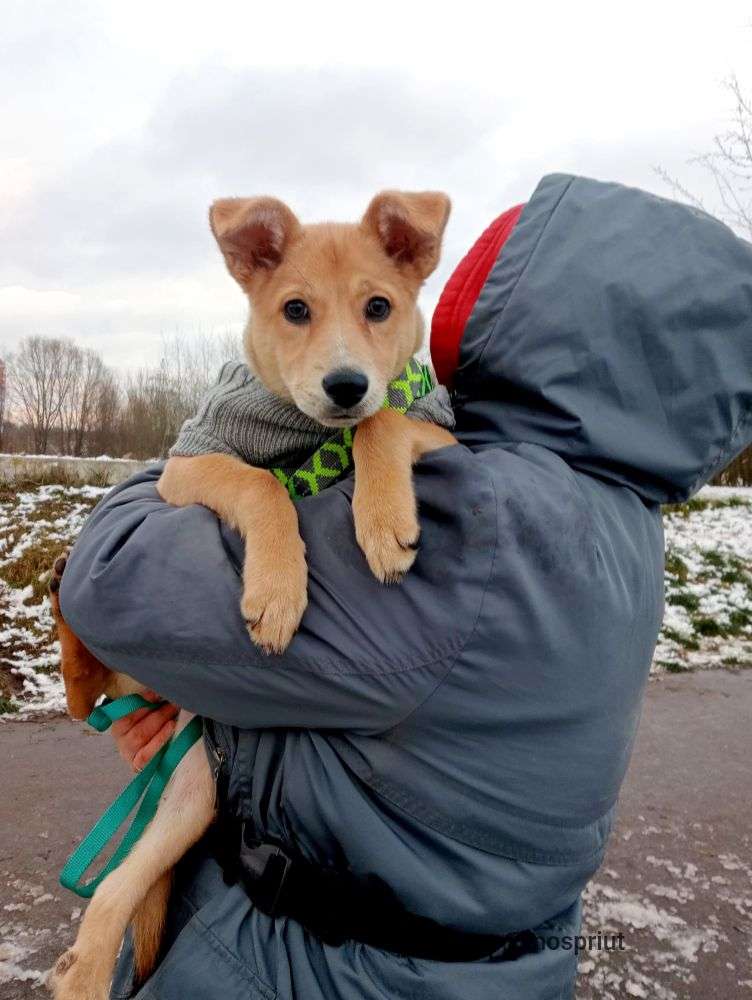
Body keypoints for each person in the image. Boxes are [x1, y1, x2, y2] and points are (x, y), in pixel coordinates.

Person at [59, 173, 752, 1000]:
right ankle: (106, 927)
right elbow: (372, 694)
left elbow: (118, 584)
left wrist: (259, 502)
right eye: (300, 312)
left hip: (324, 965)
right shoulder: (616, 506)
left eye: (381, 308)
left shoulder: (477, 516)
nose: (345, 354)